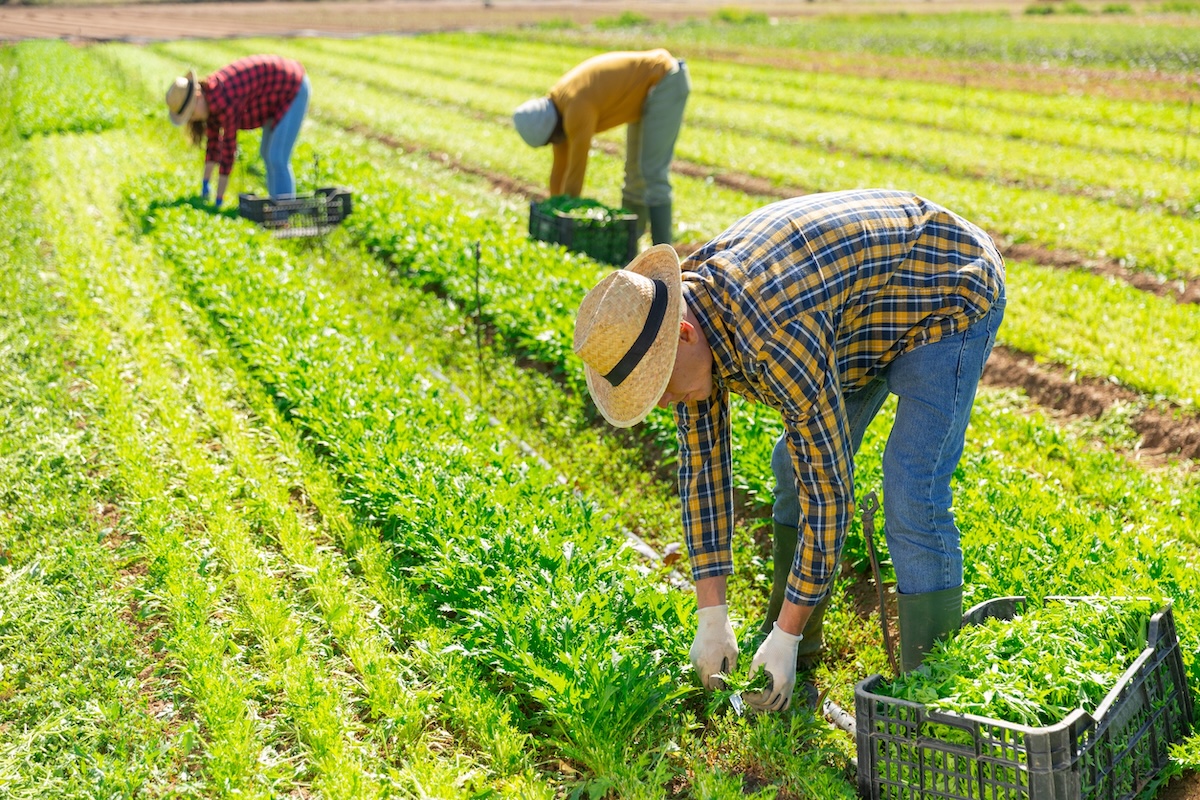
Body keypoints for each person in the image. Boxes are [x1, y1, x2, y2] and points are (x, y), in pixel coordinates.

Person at [572, 189, 1005, 712]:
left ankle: (931, 688)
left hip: (943, 290)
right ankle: (796, 636)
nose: (663, 400)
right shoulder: (676, 333)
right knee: (788, 463)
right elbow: (703, 473)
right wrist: (712, 616)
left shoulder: (773, 333)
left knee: (911, 483)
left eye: (660, 385)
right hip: (857, 318)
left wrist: (786, 636)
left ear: (683, 336)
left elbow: (830, 494)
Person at [512, 49, 690, 246]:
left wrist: (565, 214)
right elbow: (560, 169)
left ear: (552, 129)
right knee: (633, 172)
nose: (554, 144)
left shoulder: (576, 107)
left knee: (651, 171)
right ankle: (630, 244)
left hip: (665, 80)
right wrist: (555, 204)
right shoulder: (557, 109)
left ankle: (663, 250)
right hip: (645, 92)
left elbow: (575, 171)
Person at [165, 55, 310, 208]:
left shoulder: (224, 99)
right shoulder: (211, 99)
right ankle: (278, 209)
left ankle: (285, 213)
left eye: (192, 114)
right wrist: (205, 182)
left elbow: (228, 151)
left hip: (292, 86)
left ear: (198, 96)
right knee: (267, 154)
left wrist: (218, 200)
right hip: (274, 92)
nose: (194, 120)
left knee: (277, 157)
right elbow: (213, 145)